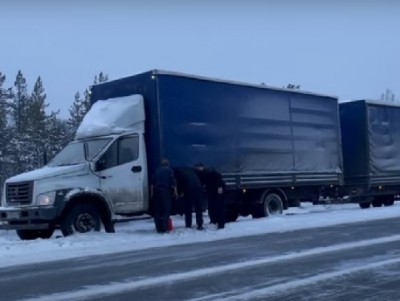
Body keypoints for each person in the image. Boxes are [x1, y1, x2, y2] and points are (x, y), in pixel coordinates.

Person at [194, 163, 226, 229]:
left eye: (198, 167)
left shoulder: (209, 171)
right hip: (212, 191)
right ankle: (214, 220)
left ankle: (221, 224)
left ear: (202, 167)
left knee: (219, 207)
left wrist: (219, 187)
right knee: (212, 207)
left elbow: (218, 177)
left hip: (217, 191)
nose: (198, 169)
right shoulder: (203, 173)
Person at [151, 159, 178, 233]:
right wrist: (175, 192)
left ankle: (158, 228)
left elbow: (152, 183)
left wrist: (152, 193)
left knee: (157, 210)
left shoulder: (156, 170)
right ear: (167, 164)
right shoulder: (169, 170)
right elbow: (173, 182)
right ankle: (165, 228)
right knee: (166, 209)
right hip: (165, 191)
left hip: (156, 191)